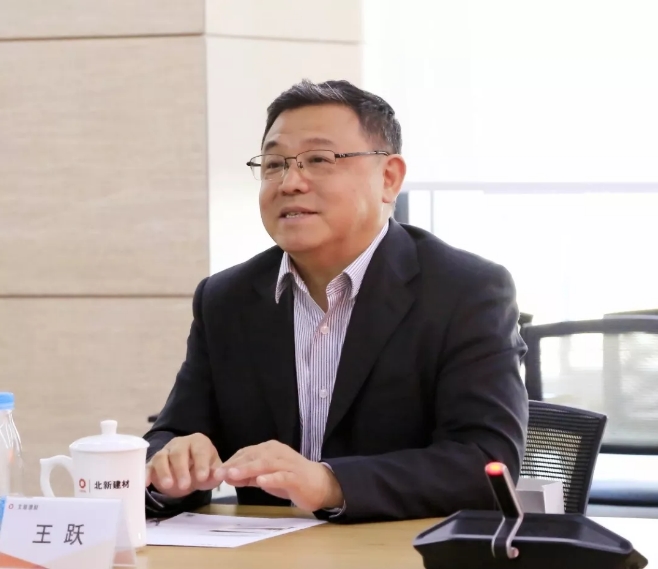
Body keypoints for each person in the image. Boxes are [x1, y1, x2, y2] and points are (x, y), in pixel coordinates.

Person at [143, 79, 529, 523]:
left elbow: (484, 462)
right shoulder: (226, 299)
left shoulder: (465, 291)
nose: (290, 182)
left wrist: (330, 483)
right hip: (261, 552)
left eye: (319, 160)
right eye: (274, 164)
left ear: (388, 178)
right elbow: (172, 434)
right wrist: (172, 465)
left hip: (399, 549)